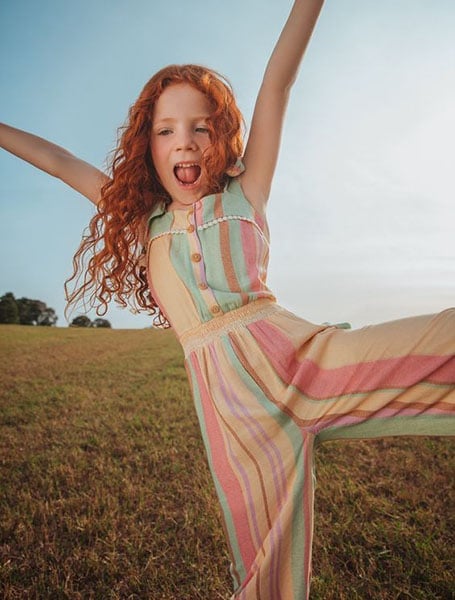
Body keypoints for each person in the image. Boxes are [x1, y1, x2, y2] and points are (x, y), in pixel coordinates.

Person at [1, 1, 454, 598]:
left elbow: (279, 80)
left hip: (306, 361)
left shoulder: (247, 189)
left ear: (221, 137)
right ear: (148, 146)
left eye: (199, 127)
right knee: (267, 574)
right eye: (165, 130)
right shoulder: (144, 220)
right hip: (231, 414)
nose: (183, 141)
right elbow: (60, 163)